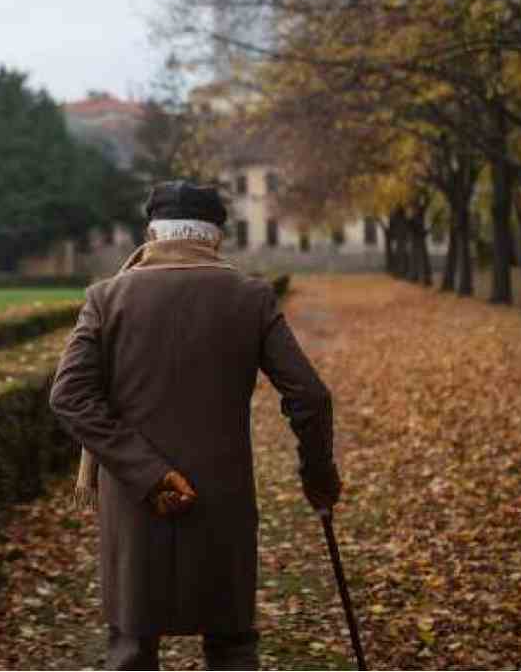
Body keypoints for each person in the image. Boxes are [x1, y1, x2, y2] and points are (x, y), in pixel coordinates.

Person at [49, 180, 341, 670]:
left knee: (132, 648)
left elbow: (69, 397)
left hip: (136, 499)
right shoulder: (250, 297)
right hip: (222, 501)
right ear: (216, 237)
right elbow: (310, 396)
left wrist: (147, 473)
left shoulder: (107, 297)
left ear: (151, 233)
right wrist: (318, 476)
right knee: (230, 645)